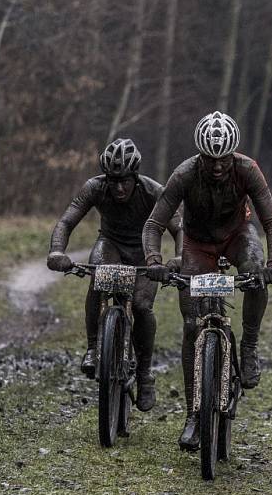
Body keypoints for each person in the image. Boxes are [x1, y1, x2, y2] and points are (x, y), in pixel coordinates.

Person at [142, 111, 272, 450]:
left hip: (238, 235)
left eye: (223, 159)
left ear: (232, 155)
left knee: (254, 270)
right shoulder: (185, 173)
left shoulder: (247, 169)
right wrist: (155, 262)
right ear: (200, 156)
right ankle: (193, 414)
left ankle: (249, 347)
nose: (217, 166)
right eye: (210, 159)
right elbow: (153, 225)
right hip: (197, 244)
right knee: (192, 325)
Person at [47, 138, 182, 412]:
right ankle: (93, 347)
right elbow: (67, 221)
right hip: (110, 245)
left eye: (125, 181)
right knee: (99, 279)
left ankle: (144, 376)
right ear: (105, 178)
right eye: (113, 181)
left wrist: (178, 258)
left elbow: (179, 227)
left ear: (135, 177)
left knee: (143, 307)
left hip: (146, 252)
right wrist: (57, 252)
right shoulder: (94, 187)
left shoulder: (153, 191)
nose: (119, 188)